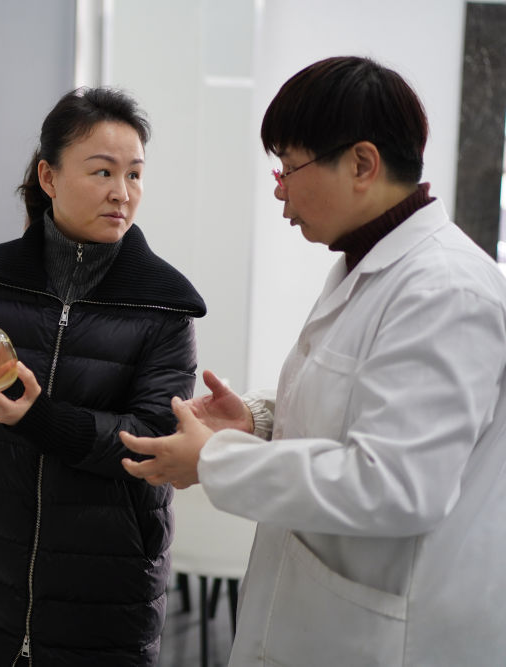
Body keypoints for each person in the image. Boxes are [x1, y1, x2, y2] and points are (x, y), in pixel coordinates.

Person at [120, 56, 506, 666]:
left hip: (388, 637)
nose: (279, 188)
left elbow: (396, 485)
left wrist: (215, 459)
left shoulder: (445, 292)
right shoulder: (366, 268)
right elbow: (363, 407)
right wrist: (258, 421)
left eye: (289, 166)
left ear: (361, 164)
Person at [0, 87, 206, 666]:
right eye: (102, 171)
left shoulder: (164, 305)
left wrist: (37, 416)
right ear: (49, 178)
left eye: (134, 175)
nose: (122, 192)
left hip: (107, 582)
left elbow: (152, 439)